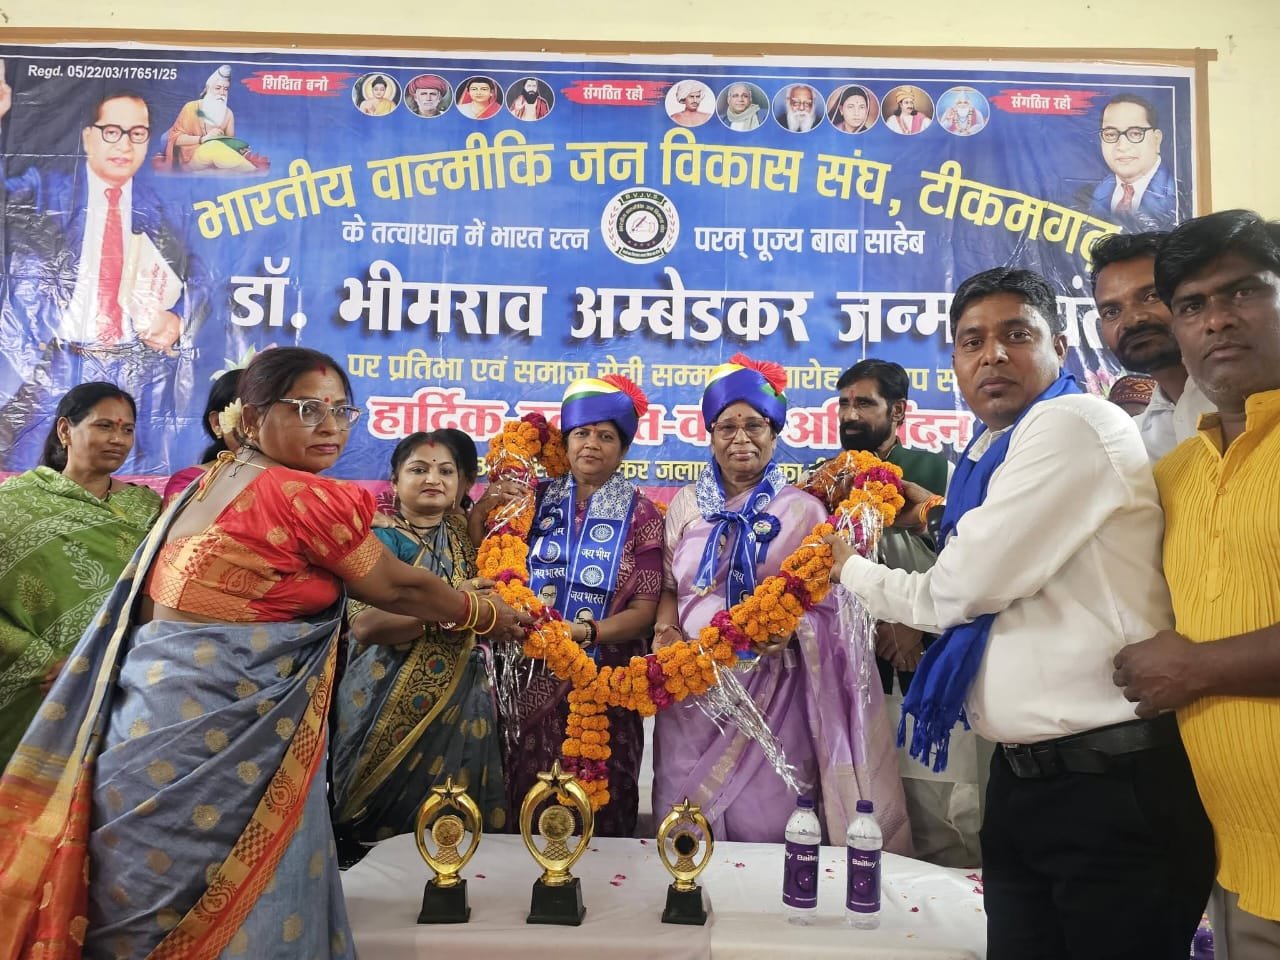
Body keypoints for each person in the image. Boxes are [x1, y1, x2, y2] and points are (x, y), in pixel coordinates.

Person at [0, 347, 527, 958]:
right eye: (306, 409)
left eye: (341, 410)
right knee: (219, 906)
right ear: (250, 419)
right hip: (221, 739)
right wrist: (483, 612)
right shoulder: (301, 495)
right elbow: (396, 588)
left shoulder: (212, 480)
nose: (329, 426)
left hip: (145, 727)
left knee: (140, 908)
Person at [828, 268, 1213, 958]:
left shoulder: (1072, 424)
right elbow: (977, 553)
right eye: (972, 342)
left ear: (1059, 347)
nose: (993, 355)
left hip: (1108, 784)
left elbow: (958, 590)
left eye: (1016, 335)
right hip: (1030, 778)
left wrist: (846, 567)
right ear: (954, 361)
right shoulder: (990, 449)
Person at [652, 354, 910, 849]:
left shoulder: (805, 509)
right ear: (710, 435)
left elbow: (837, 603)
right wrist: (666, 633)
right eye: (727, 427)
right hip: (693, 688)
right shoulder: (684, 505)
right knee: (683, 823)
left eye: (754, 425)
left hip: (777, 691)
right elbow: (669, 587)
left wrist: (792, 628)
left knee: (770, 821)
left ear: (774, 433)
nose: (740, 438)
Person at [1114, 210, 1280, 958]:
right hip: (1235, 862)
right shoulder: (1175, 474)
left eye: (1244, 291)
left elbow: (1186, 663)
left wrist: (1197, 668)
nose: (1217, 319)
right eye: (1192, 305)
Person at [0, 90, 210, 473]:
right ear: (87, 137)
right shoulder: (46, 191)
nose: (124, 144)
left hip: (131, 370)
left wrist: (179, 318)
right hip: (54, 365)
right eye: (112, 131)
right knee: (30, 481)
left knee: (119, 486)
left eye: (137, 133)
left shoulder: (162, 209)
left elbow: (202, 275)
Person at [491, 375, 663, 837]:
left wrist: (584, 633)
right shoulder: (532, 501)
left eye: (606, 436)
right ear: (565, 442)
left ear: (623, 449)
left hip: (605, 681)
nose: (592, 444)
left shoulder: (644, 515)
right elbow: (491, 558)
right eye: (582, 433)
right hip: (528, 673)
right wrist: (485, 506)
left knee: (603, 796)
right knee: (525, 789)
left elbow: (646, 609)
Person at [331, 431, 505, 861]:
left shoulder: (463, 535)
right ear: (394, 481)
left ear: (460, 482)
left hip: (461, 701)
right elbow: (366, 626)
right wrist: (456, 607)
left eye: (446, 471)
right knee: (373, 831)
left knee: (457, 830)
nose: (433, 479)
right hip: (383, 697)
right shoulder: (376, 540)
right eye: (419, 469)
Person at [835, 359, 977, 867]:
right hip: (857, 667)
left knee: (940, 809)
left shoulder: (937, 473)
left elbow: (967, 560)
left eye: (864, 403)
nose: (850, 415)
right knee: (870, 805)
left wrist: (909, 625)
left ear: (898, 411)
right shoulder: (827, 479)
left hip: (927, 659)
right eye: (844, 403)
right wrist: (877, 624)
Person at [0, 382, 159, 768]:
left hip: (123, 679)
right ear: (65, 430)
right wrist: (45, 662)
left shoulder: (148, 508)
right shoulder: (12, 504)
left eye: (127, 429)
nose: (118, 439)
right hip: (36, 684)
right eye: (104, 426)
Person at [1091, 230, 1214, 460]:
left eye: (1151, 296)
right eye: (1112, 311)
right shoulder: (1140, 439)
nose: (1132, 320)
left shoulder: (1250, 401)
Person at [1087, 93, 1176, 229]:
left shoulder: (1181, 194)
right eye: (1111, 134)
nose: (1122, 146)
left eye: (1135, 133)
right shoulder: (1089, 196)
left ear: (1156, 140)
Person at [157, 64, 260, 174]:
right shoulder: (191, 107)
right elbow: (176, 139)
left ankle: (248, 169)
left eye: (225, 89)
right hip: (190, 159)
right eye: (218, 88)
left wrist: (236, 147)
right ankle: (253, 171)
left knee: (223, 164)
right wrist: (203, 139)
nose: (222, 93)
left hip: (215, 160)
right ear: (208, 89)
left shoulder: (228, 114)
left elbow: (230, 145)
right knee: (213, 146)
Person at [161, 367, 243, 506]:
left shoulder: (281, 477)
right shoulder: (189, 482)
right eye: (245, 417)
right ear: (217, 423)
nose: (257, 426)